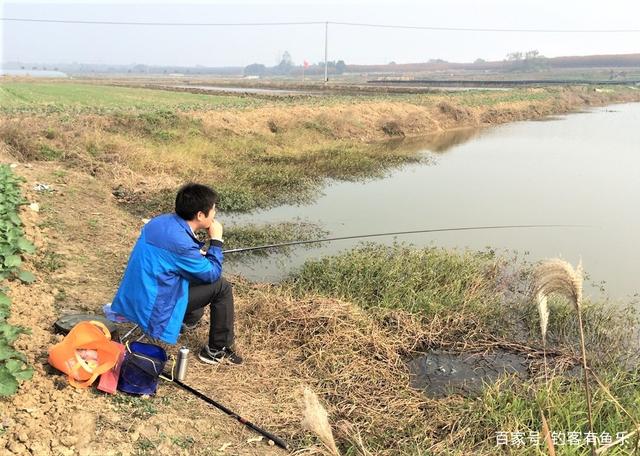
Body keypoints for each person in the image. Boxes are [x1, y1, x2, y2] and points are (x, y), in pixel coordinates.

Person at [111, 183, 242, 365]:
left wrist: (195, 255)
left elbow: (170, 256)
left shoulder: (161, 222)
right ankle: (216, 350)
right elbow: (212, 274)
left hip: (134, 295)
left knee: (194, 275)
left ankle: (186, 320)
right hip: (153, 305)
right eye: (213, 209)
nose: (215, 213)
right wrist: (216, 240)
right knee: (222, 287)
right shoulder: (181, 244)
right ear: (200, 215)